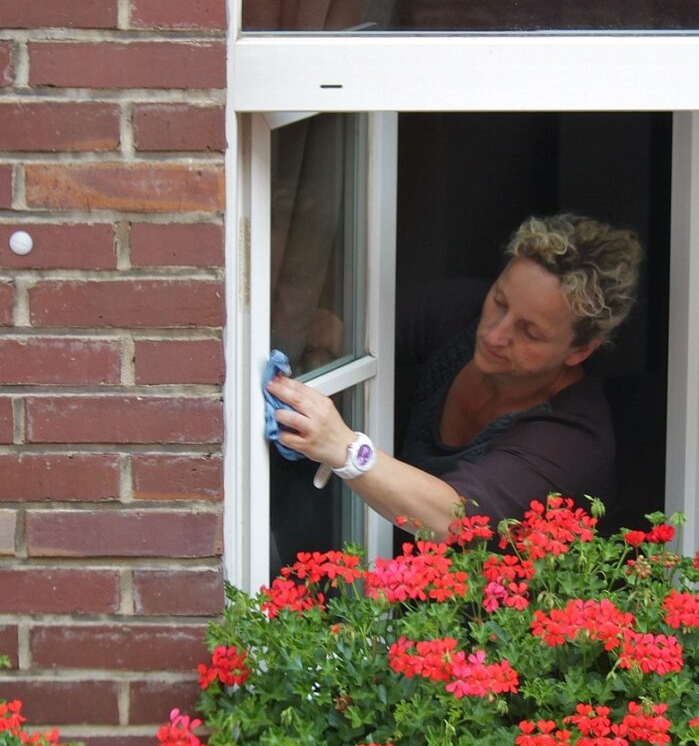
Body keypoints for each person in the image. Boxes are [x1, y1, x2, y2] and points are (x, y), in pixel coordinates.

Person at [267, 214, 641, 536]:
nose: (494, 334)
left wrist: (345, 449)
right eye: (499, 302)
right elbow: (341, 330)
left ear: (580, 350)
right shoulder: (463, 313)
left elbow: (455, 519)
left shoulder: (572, 441)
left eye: (529, 332)